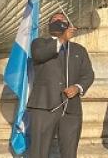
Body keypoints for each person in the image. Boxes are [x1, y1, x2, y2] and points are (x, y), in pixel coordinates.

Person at [27, 13, 94, 158]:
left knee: (70, 153)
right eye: (54, 20)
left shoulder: (79, 50)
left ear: (69, 25)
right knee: (39, 152)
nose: (58, 21)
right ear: (49, 26)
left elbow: (88, 75)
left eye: (62, 20)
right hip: (44, 107)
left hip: (71, 108)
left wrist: (78, 87)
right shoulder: (39, 43)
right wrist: (62, 39)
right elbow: (40, 55)